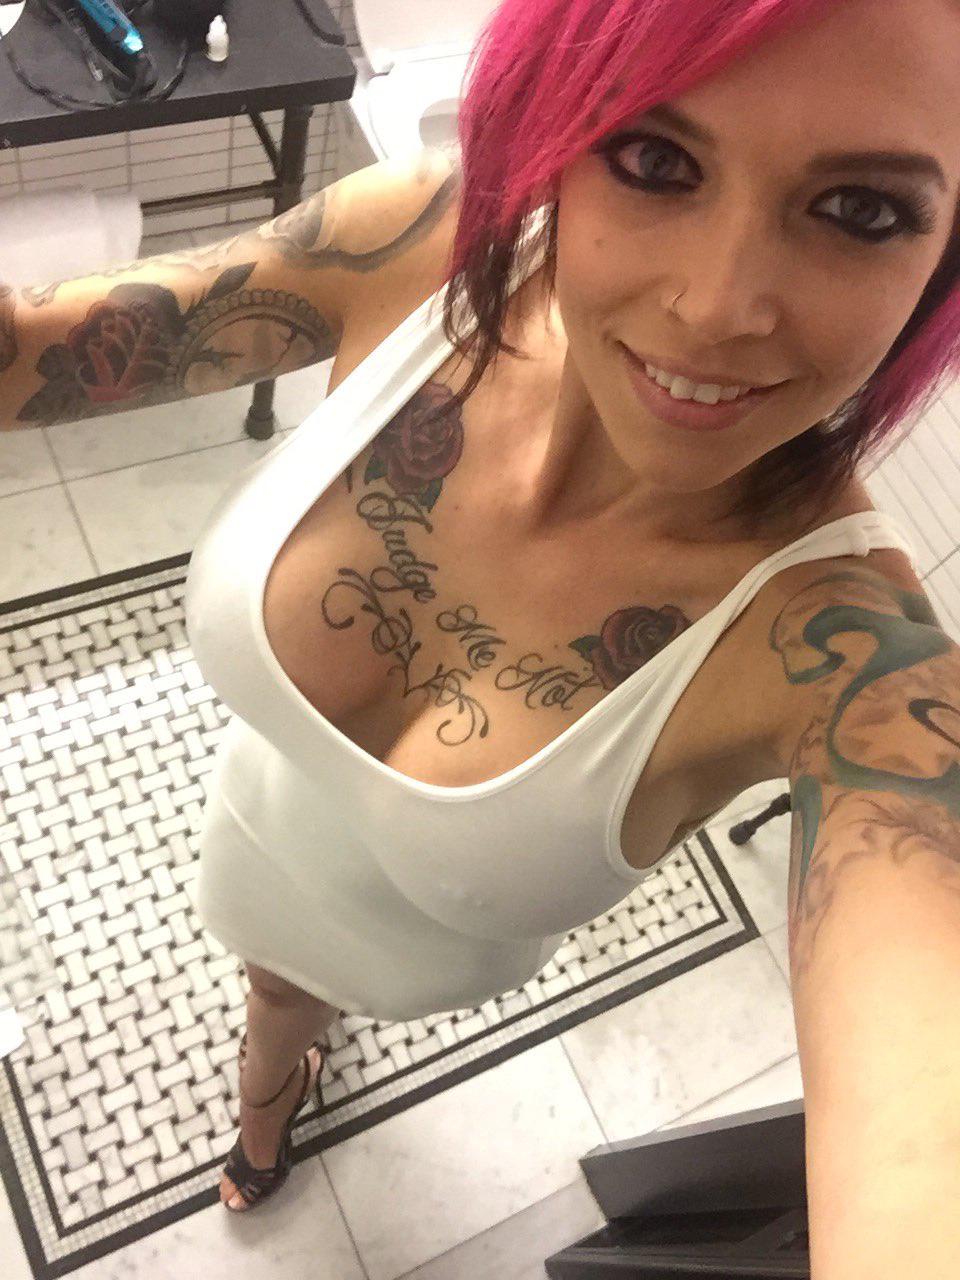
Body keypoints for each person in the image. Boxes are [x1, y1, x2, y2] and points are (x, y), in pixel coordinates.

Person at [2, 0, 959, 1263]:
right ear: (555, 121)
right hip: (258, 826)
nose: (718, 305)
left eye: (861, 211)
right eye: (656, 158)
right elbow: (31, 354)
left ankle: (274, 1088)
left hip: (425, 952)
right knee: (272, 989)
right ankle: (271, 1085)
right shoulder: (422, 246)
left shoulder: (855, 670)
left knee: (298, 990)